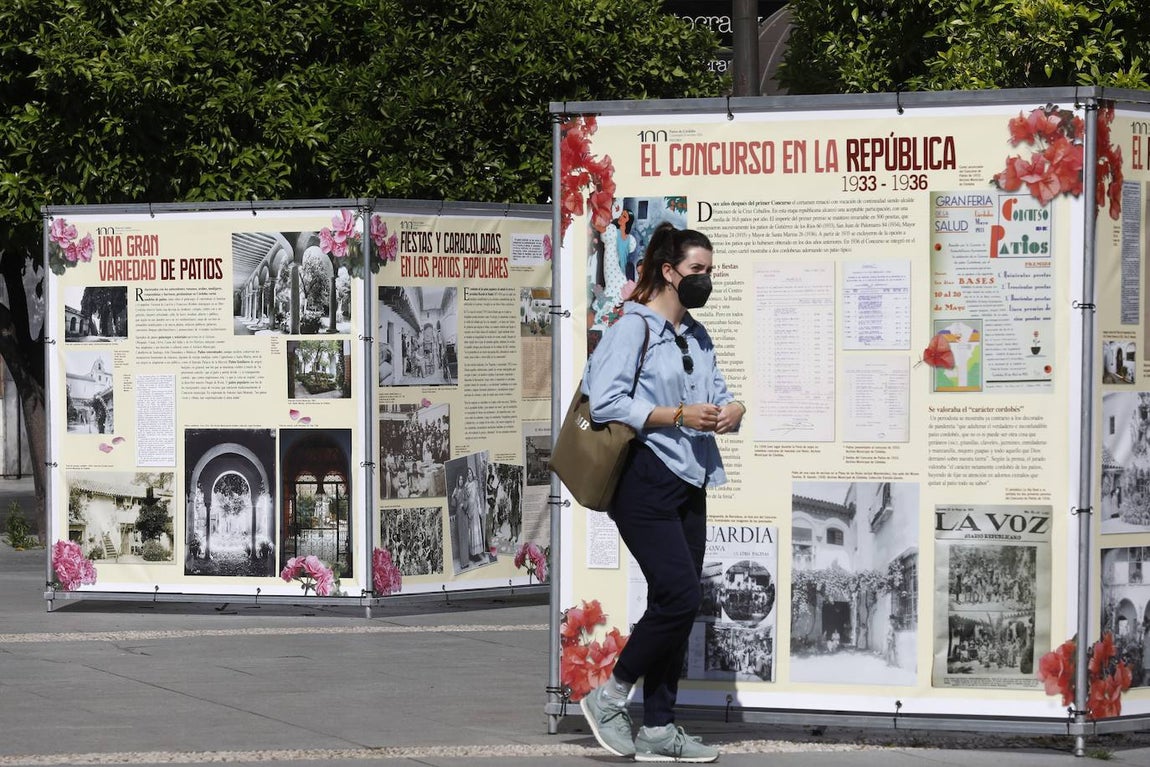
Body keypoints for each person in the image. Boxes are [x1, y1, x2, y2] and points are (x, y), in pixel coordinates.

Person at [579, 223, 744, 763]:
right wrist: (675, 415)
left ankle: (658, 729)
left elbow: (718, 392)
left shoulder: (696, 335)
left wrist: (733, 410)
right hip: (646, 479)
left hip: (692, 478)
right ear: (669, 272)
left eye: (710, 271)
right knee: (680, 596)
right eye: (698, 270)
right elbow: (604, 402)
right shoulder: (633, 328)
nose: (706, 280)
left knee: (671, 604)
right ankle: (609, 695)